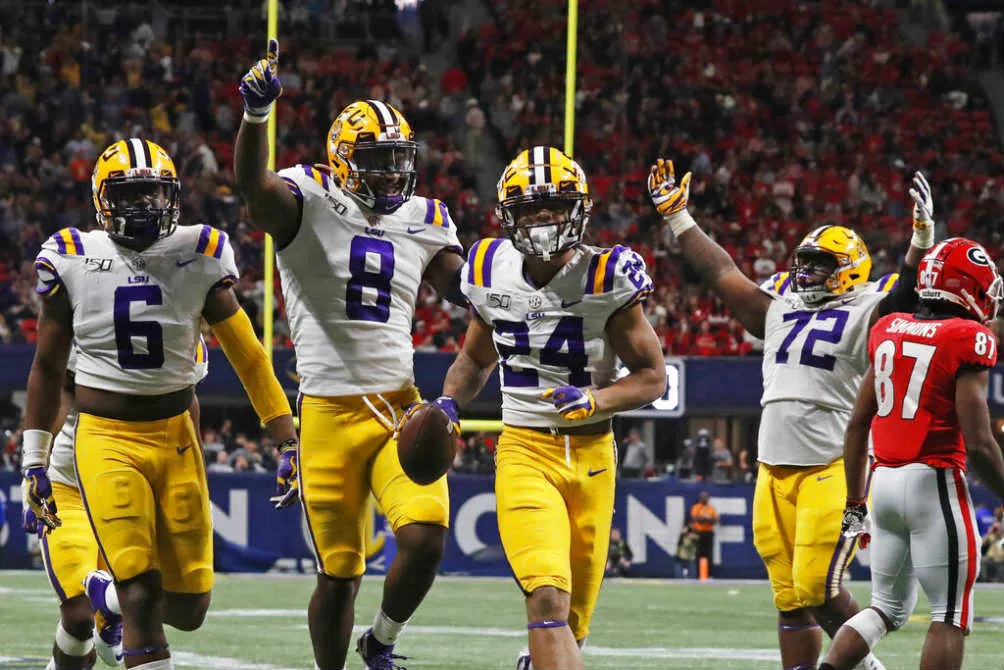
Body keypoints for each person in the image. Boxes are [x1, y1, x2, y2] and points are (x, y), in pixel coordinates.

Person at [20, 138, 298, 670]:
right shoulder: (73, 256)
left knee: (190, 608)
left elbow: (249, 357)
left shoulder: (199, 254)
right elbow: (48, 369)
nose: (145, 206)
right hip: (100, 438)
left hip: (172, 440)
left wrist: (287, 436)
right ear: (103, 200)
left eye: (154, 194)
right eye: (132, 194)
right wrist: (34, 458)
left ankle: (108, 592)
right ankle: (114, 595)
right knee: (132, 599)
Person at [648, 158, 936, 670]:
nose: (807, 271)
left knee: (816, 586)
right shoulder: (782, 303)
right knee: (788, 598)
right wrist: (678, 218)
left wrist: (919, 241)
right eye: (805, 260)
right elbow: (721, 273)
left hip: (829, 466)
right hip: (770, 470)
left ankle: (866, 667)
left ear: (849, 270)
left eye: (821, 263)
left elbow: (906, 294)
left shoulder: (870, 307)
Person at [235, 40, 466, 670]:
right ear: (341, 160)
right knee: (340, 573)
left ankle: (382, 640)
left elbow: (460, 287)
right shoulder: (306, 197)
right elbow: (254, 192)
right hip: (329, 416)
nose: (393, 173)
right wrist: (256, 118)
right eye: (377, 160)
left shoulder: (425, 215)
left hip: (399, 407)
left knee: (423, 538)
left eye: (399, 160)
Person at [436, 146, 666, 670]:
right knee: (545, 598)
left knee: (573, 622)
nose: (543, 222)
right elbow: (473, 360)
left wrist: (595, 399)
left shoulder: (606, 276)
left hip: (593, 457)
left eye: (555, 208)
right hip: (525, 450)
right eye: (530, 212)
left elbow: (653, 378)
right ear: (508, 217)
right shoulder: (490, 268)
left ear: (579, 210)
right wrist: (449, 402)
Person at [821, 237, 1004, 670]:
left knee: (885, 608)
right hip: (934, 482)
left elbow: (857, 423)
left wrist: (854, 503)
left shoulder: (889, 327)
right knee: (950, 615)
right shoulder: (967, 337)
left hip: (882, 484)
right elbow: (978, 443)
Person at [23, 340, 208, 669]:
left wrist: (194, 475)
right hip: (69, 484)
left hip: (126, 484)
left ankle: (110, 602)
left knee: (167, 604)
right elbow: (57, 396)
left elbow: (188, 403)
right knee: (79, 616)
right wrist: (35, 467)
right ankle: (108, 603)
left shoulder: (183, 325)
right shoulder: (90, 320)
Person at [689, 492, 719, 574]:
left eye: (705, 497)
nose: (704, 499)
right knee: (698, 553)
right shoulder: (696, 507)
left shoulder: (711, 508)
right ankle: (698, 573)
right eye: (702, 497)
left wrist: (703, 519)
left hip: (708, 533)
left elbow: (715, 520)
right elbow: (695, 518)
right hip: (699, 533)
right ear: (700, 498)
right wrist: (707, 519)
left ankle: (709, 573)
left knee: (709, 554)